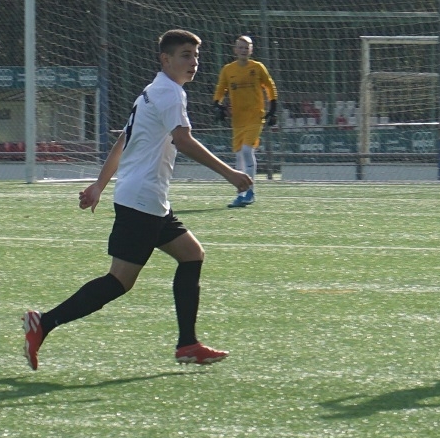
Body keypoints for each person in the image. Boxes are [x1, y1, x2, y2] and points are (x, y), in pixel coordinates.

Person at [22, 29, 253, 370]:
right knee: (119, 281)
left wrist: (100, 185)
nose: (193, 62)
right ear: (166, 59)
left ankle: (188, 344)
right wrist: (230, 175)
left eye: (196, 56)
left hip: (148, 199)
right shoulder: (170, 94)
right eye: (186, 55)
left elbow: (124, 141)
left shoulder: (152, 91)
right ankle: (44, 323)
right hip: (142, 200)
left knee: (192, 255)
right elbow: (184, 141)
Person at [213, 35, 278, 208]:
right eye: (240, 47)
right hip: (237, 120)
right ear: (235, 50)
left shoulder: (257, 68)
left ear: (251, 50)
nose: (243, 50)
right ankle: (241, 194)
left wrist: (273, 107)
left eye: (246, 47)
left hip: (255, 117)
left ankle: (249, 192)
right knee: (239, 157)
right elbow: (220, 89)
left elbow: (269, 86)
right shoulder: (228, 70)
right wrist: (216, 105)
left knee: (248, 151)